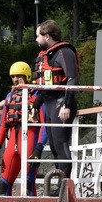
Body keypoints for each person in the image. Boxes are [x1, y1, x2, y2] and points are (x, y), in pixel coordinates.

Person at [0, 62, 47, 196]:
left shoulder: (37, 97)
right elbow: (3, 123)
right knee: (4, 185)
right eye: (13, 77)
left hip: (30, 143)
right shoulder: (10, 97)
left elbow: (45, 125)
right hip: (12, 144)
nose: (16, 80)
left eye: (19, 76)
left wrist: (39, 148)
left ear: (27, 76)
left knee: (28, 184)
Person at [33, 20, 79, 179]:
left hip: (61, 103)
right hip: (50, 103)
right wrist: (35, 105)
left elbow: (72, 78)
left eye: (38, 36)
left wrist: (66, 104)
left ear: (47, 37)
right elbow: (46, 85)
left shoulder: (64, 52)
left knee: (61, 144)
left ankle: (64, 185)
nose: (36, 40)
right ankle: (60, 183)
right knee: (53, 145)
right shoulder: (47, 54)